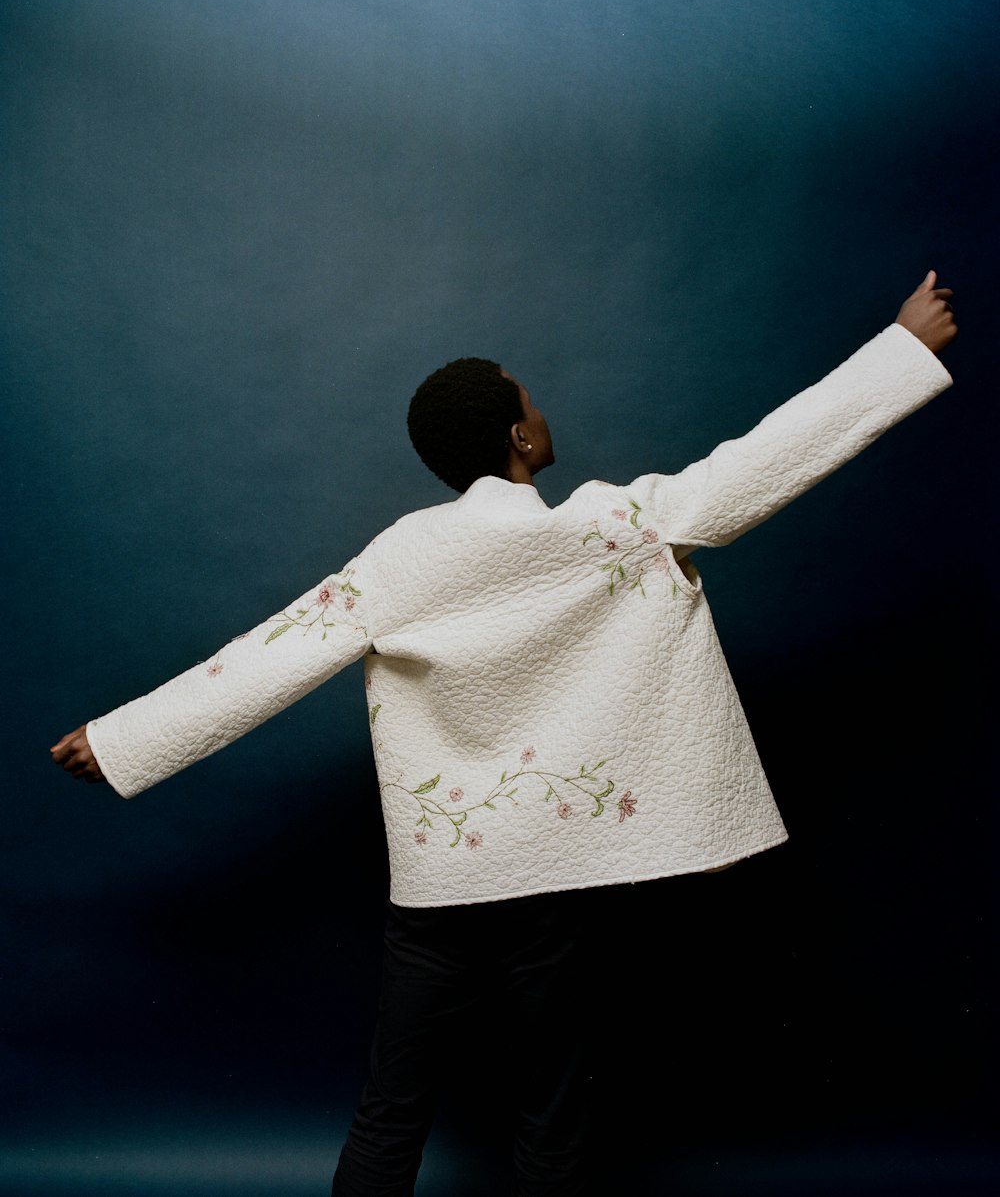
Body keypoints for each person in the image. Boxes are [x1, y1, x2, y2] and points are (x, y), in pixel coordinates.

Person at [52, 273, 957, 1195]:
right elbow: (760, 462)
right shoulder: (618, 526)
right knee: (552, 1105)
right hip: (555, 872)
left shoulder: (404, 553)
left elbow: (270, 655)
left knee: (393, 1103)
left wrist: (124, 740)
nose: (540, 403)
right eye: (528, 395)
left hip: (444, 880)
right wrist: (900, 351)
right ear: (520, 437)